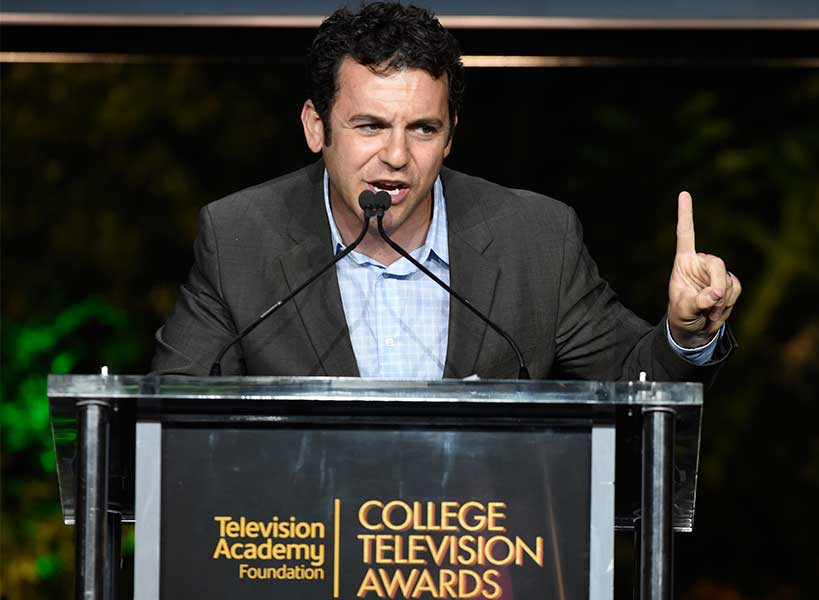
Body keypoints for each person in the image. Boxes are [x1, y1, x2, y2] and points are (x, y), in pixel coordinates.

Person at [151, 2, 740, 381]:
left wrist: (686, 334)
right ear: (316, 127)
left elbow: (632, 381)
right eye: (370, 126)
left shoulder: (534, 238)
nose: (397, 155)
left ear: (450, 137)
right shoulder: (240, 238)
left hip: (482, 565)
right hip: (305, 558)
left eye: (423, 129)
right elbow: (166, 415)